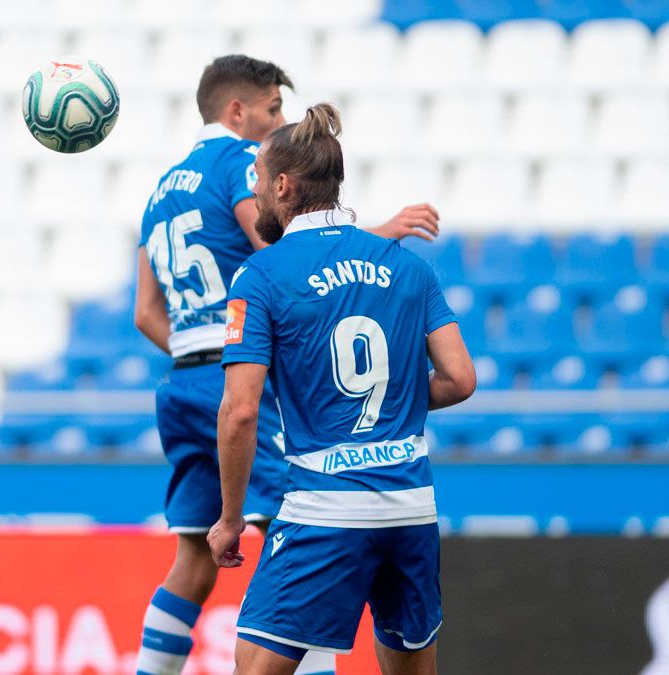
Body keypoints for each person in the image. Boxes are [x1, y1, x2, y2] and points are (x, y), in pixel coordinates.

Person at [133, 55, 440, 675]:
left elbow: (145, 313)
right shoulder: (231, 166)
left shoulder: (161, 188)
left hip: (185, 380)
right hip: (239, 375)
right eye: (274, 110)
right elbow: (281, 251)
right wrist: (377, 235)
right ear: (237, 111)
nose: (278, 126)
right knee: (307, 536)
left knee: (193, 561)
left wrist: (200, 362)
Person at [207, 103, 476, 675]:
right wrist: (399, 399)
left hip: (326, 507)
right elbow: (460, 379)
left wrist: (230, 519)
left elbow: (239, 412)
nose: (254, 191)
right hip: (411, 506)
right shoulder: (409, 268)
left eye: (257, 178)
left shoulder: (261, 275)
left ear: (283, 185)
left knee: (253, 665)